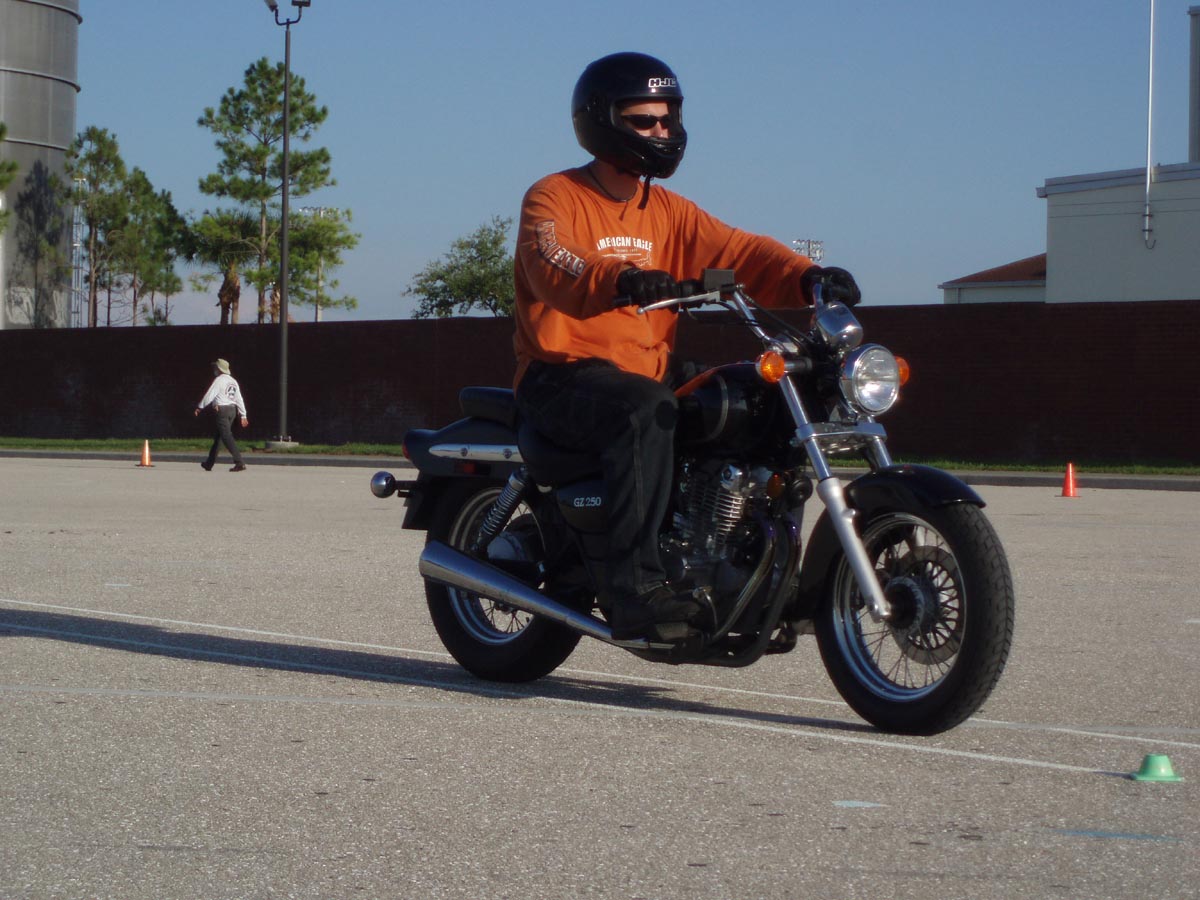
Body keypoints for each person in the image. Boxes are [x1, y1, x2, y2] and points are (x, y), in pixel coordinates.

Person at [512, 51, 860, 643]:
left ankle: (754, 575)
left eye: (668, 118)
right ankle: (635, 592)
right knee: (644, 410)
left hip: (647, 368)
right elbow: (555, 261)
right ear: (601, 120)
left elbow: (741, 250)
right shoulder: (555, 196)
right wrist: (623, 277)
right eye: (644, 120)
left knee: (755, 397)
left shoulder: (670, 211)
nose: (661, 132)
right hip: (561, 372)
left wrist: (809, 277)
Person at [195, 358, 250, 472]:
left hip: (222, 411)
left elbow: (210, 394)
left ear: (219, 369)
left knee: (226, 436)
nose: (214, 369)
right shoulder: (233, 381)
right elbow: (239, 399)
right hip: (232, 410)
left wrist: (200, 407)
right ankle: (209, 463)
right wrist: (243, 415)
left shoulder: (219, 380)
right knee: (219, 438)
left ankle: (239, 462)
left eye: (215, 367)